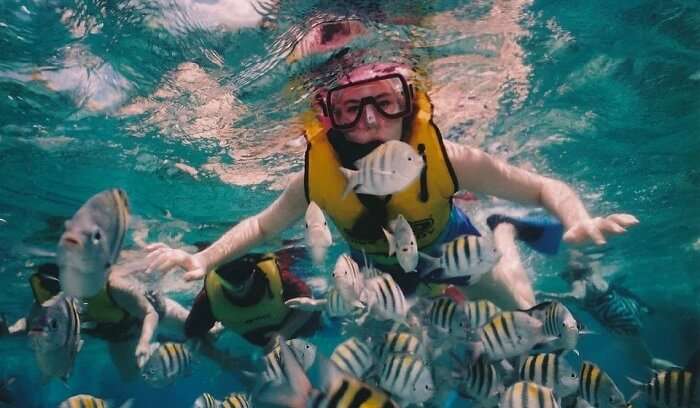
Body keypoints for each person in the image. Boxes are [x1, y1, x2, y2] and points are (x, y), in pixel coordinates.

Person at [144, 62, 638, 310]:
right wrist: (203, 259)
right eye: (350, 108)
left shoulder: (451, 160)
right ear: (328, 118)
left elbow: (542, 188)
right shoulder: (316, 177)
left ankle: (501, 233)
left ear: (410, 104)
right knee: (389, 343)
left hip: (451, 244)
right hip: (375, 268)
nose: (370, 121)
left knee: (523, 308)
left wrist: (576, 219)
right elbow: (263, 223)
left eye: (384, 102)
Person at [182, 245, 321, 351]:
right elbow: (192, 334)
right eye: (226, 272)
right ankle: (224, 326)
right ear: (216, 271)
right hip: (264, 348)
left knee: (325, 320)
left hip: (305, 328)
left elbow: (308, 303)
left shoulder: (277, 275)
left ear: (253, 265)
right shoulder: (209, 297)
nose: (237, 280)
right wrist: (224, 360)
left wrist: (284, 333)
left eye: (243, 269)